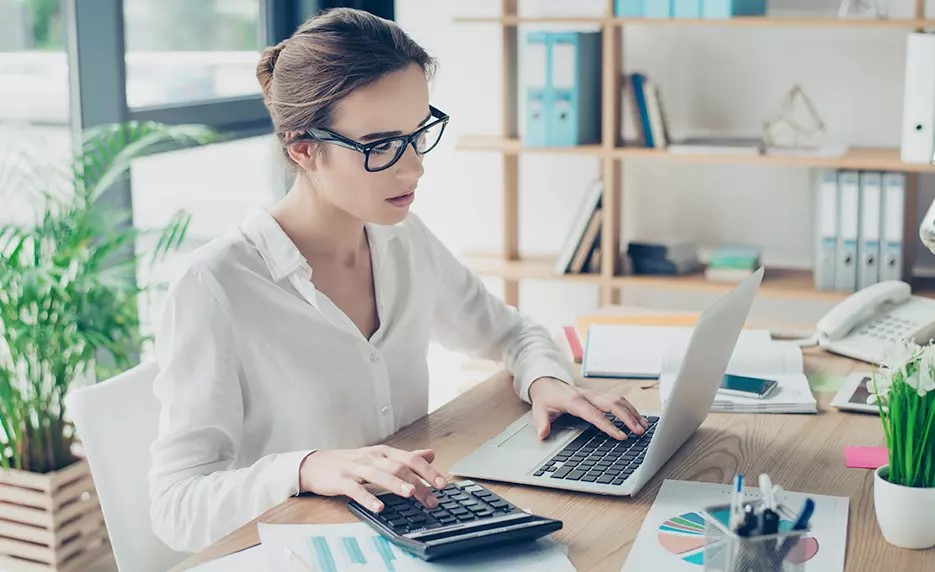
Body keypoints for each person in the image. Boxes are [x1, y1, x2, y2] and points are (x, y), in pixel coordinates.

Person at [148, 7, 647, 553]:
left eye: (417, 135)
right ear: (303, 149)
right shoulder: (216, 286)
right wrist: (305, 468)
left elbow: (511, 334)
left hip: (418, 531)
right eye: (381, 145)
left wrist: (545, 382)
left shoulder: (403, 240)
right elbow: (175, 508)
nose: (413, 169)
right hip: (299, 550)